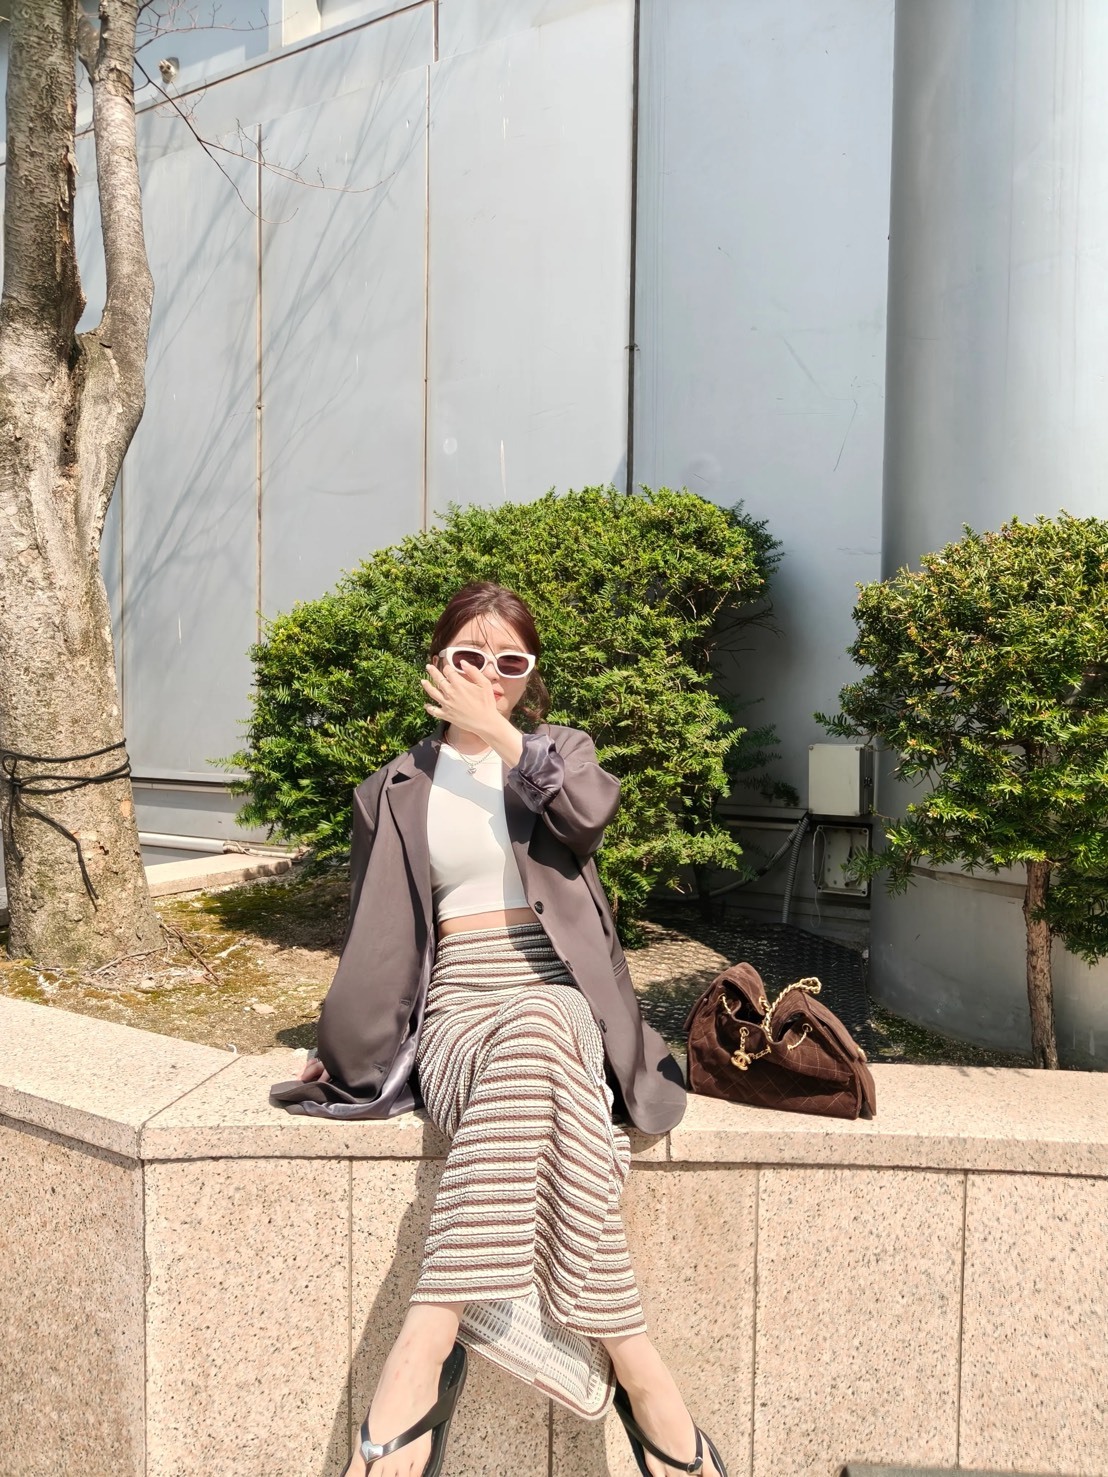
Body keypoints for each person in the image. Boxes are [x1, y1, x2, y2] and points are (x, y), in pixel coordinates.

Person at [272, 582, 726, 1477]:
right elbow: (373, 932)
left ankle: (424, 1346)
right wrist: (339, 1046)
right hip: (458, 1013)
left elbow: (587, 817)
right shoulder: (393, 789)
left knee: (545, 1016)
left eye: (510, 662)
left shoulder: (558, 754)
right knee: (533, 1039)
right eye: (469, 657)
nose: (490, 675)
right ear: (437, 662)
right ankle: (640, 1374)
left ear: (529, 675)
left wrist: (505, 737)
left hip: (561, 995)